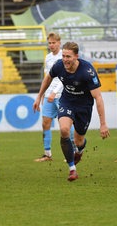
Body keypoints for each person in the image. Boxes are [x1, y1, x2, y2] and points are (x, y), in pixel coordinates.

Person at [33, 42, 110, 181]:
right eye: (63, 56)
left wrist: (103, 123)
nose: (65, 59)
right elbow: (48, 78)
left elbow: (98, 97)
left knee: (78, 140)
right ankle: (72, 169)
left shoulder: (87, 71)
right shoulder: (59, 65)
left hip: (84, 107)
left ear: (76, 57)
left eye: (68, 56)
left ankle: (79, 150)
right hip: (67, 101)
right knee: (64, 130)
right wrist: (39, 96)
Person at [34, 33, 74, 162]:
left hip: (62, 94)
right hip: (49, 94)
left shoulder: (65, 57)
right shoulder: (48, 57)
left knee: (66, 124)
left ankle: (73, 151)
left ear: (59, 43)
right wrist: (43, 93)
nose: (51, 45)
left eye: (53, 43)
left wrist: (55, 91)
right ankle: (47, 154)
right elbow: (48, 77)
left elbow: (65, 77)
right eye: (49, 43)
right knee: (45, 122)